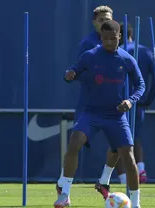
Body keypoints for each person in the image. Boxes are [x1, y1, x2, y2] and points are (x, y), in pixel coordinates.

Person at [54, 20, 145, 208]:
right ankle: (65, 194)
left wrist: (130, 101)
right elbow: (73, 72)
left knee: (128, 155)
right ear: (100, 38)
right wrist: (69, 74)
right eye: (106, 39)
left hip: (116, 115)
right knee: (74, 142)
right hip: (91, 112)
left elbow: (140, 85)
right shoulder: (90, 55)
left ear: (120, 36)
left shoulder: (127, 59)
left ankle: (135, 204)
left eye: (113, 38)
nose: (110, 42)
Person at [56, 5, 121, 199]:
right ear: (94, 22)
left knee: (118, 146)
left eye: (107, 19)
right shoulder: (87, 44)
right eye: (100, 20)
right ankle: (63, 184)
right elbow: (79, 71)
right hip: (89, 103)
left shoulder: (118, 42)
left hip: (113, 104)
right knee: (77, 144)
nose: (103, 22)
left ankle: (104, 181)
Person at [95, 22, 155, 198]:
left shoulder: (116, 52)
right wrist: (147, 100)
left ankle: (124, 179)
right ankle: (140, 170)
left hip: (115, 105)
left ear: (119, 35)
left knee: (117, 143)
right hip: (136, 103)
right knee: (132, 138)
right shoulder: (146, 51)